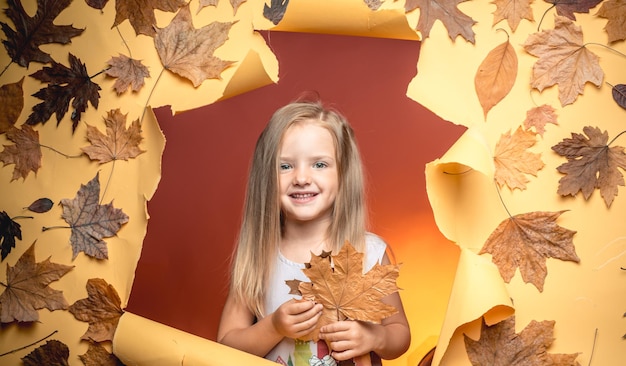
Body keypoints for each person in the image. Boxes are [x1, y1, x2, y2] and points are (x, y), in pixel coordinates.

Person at [217, 99, 410, 366]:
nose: (301, 178)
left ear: (343, 174)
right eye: (285, 166)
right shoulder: (259, 257)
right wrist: (273, 326)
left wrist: (374, 337)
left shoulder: (368, 252)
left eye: (319, 164)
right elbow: (226, 345)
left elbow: (400, 333)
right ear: (265, 178)